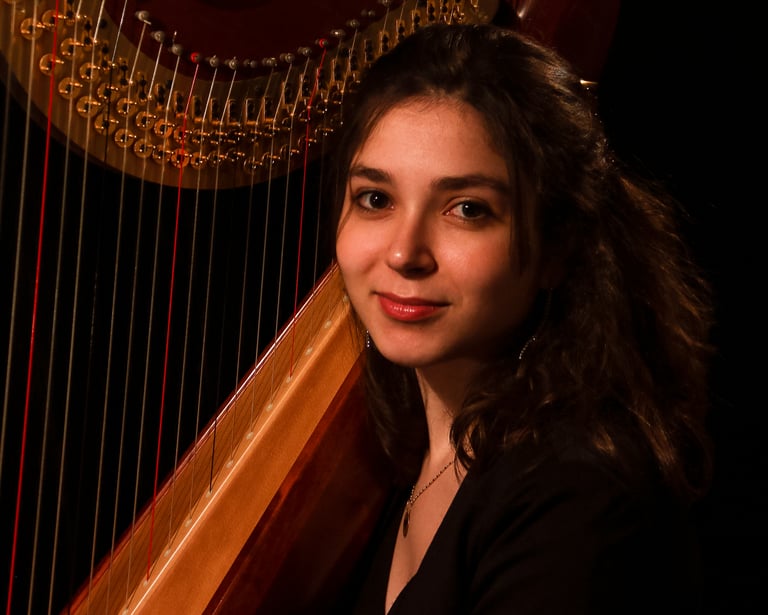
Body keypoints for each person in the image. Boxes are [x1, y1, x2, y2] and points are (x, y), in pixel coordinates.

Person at [328, 22, 714, 614]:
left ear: (557, 248)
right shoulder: (425, 450)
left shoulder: (577, 499)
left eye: (467, 209)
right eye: (375, 199)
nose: (404, 253)